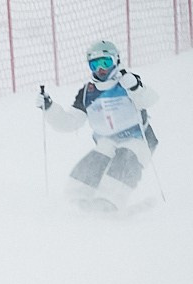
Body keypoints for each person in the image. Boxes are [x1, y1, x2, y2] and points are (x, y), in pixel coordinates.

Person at [40, 40, 160, 211]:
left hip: (139, 139)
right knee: (96, 158)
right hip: (108, 141)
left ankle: (109, 200)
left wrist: (135, 87)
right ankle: (77, 197)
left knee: (126, 156)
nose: (101, 69)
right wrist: (50, 108)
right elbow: (70, 122)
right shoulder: (88, 91)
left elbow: (150, 99)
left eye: (106, 62)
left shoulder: (127, 81)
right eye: (94, 64)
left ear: (116, 60)